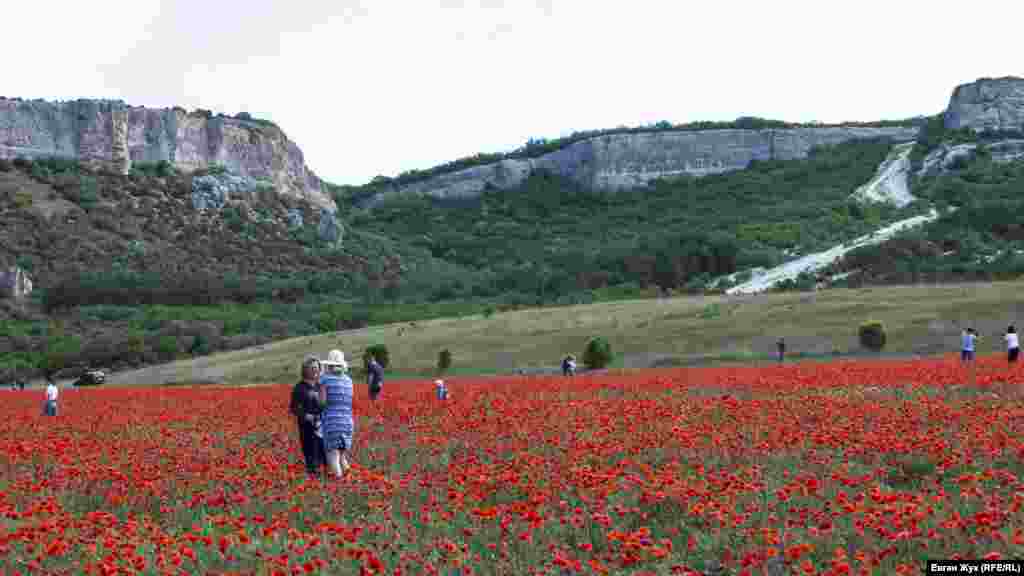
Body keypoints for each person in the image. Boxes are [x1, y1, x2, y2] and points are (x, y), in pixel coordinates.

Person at [319, 349, 354, 479]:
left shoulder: (325, 379)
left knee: (333, 455)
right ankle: (348, 479)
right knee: (342, 456)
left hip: (332, 422)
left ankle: (339, 482)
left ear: (329, 365)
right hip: (347, 422)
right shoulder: (348, 380)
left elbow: (322, 403)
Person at [290, 355, 326, 478]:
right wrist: (306, 415)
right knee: (311, 456)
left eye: (317, 368)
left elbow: (324, 404)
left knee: (325, 456)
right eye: (312, 368)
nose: (315, 370)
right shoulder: (299, 388)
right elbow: (294, 408)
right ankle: (313, 478)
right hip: (307, 429)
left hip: (322, 426)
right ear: (305, 370)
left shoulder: (320, 386)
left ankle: (325, 479)